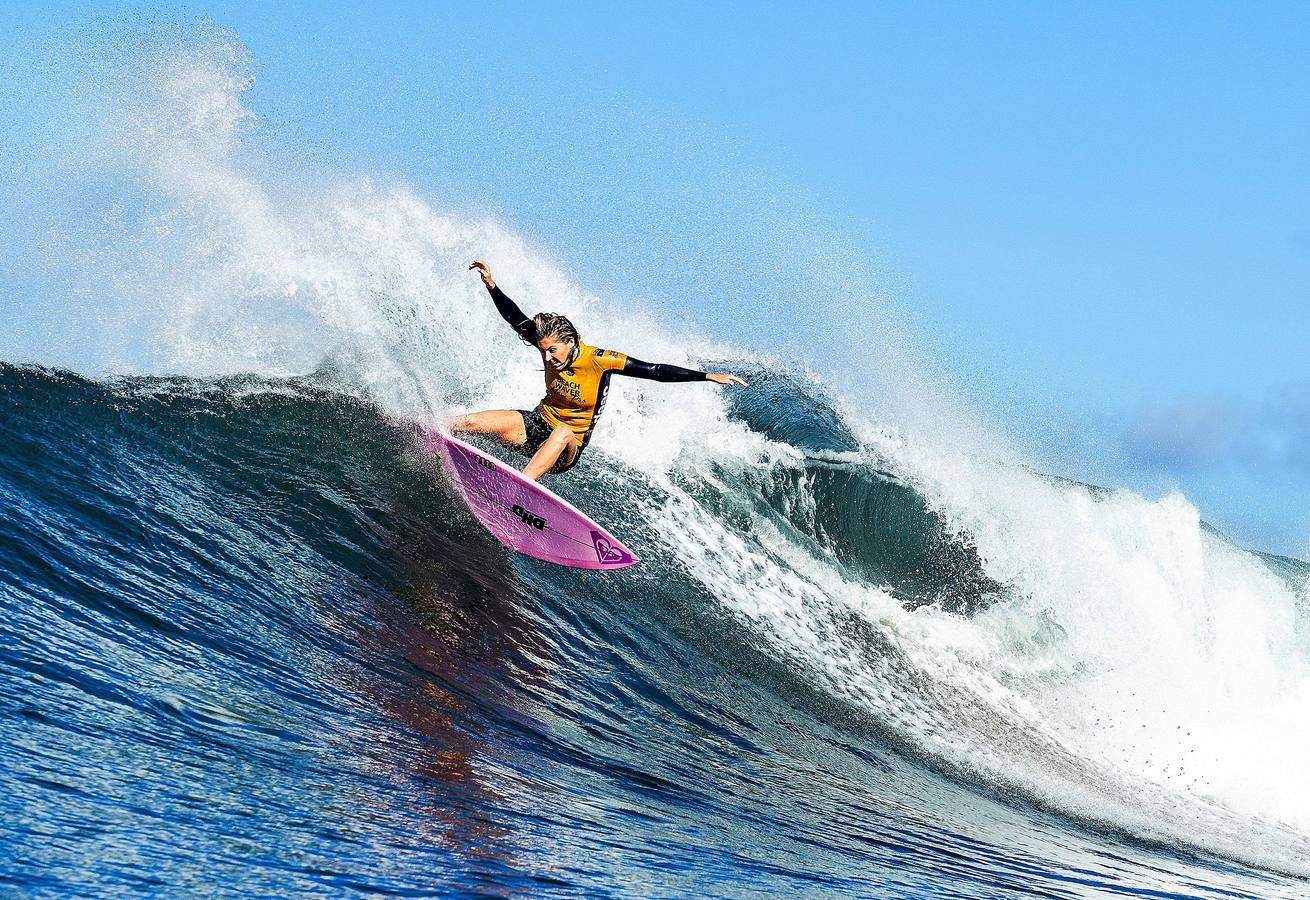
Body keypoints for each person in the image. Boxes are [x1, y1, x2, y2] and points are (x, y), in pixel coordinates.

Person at [448, 261, 749, 480]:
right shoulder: (547, 346)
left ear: (569, 341)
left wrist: (707, 375)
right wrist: (491, 285)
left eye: (553, 350)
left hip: (566, 448)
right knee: (470, 421)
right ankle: (419, 426)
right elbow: (515, 318)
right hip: (537, 426)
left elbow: (654, 370)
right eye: (543, 351)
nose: (548, 357)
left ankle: (520, 486)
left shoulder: (599, 360)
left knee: (563, 431)